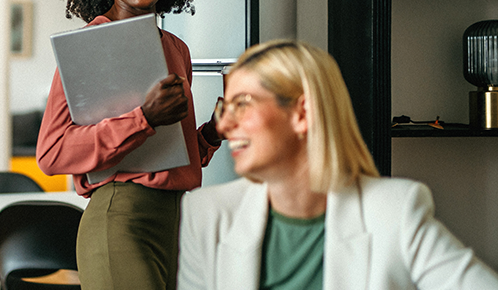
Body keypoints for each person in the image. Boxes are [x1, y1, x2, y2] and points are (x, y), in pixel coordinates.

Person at [177, 39, 498, 290]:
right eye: (226, 108)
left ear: (302, 114)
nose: (225, 125)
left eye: (242, 105)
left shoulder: (395, 212)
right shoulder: (205, 215)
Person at [36, 0, 222, 290]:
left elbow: (169, 154)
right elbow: (52, 154)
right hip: (120, 221)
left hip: (176, 223)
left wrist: (212, 133)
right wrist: (143, 118)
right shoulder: (90, 45)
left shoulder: (176, 49)